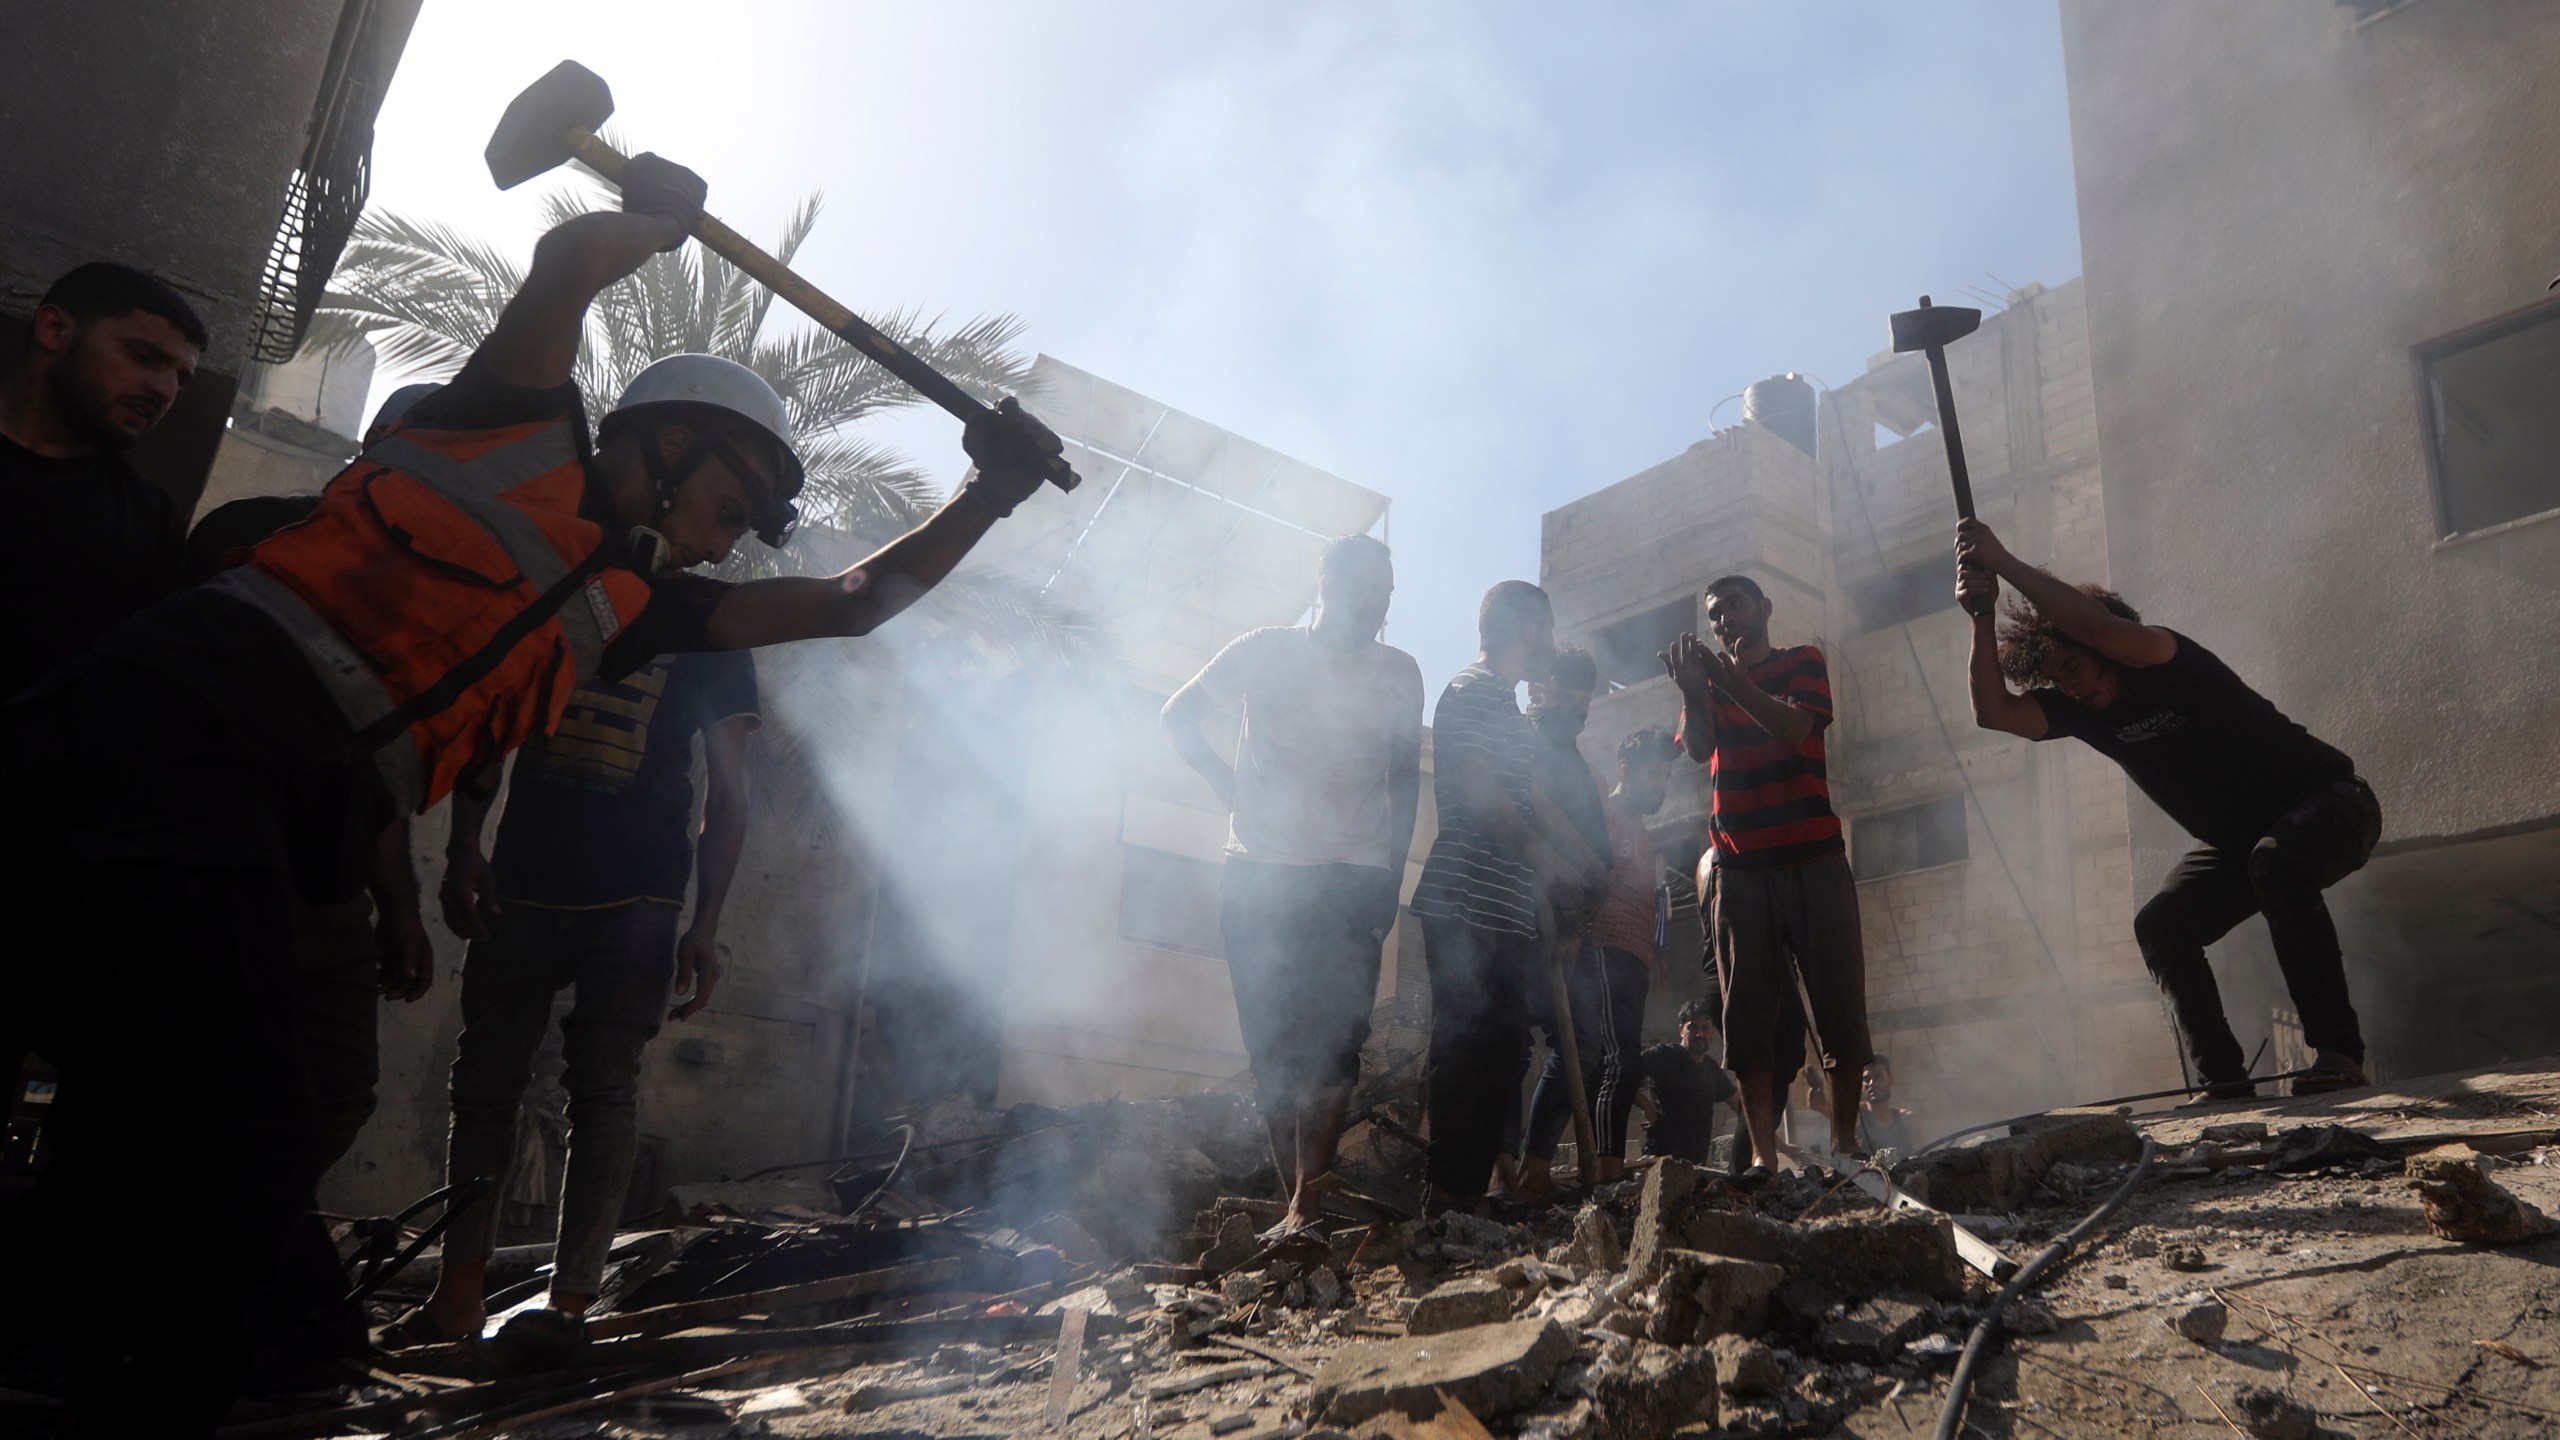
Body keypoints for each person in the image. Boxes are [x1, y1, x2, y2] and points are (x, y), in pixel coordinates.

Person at [0, 154, 1063, 1436]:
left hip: (270, 804)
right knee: (241, 1107)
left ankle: (66, 1353)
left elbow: (849, 607)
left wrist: (988, 494)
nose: (727, 537)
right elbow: (562, 270)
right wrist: (655, 224)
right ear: (663, 445)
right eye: (729, 500)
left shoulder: (631, 609)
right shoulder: (509, 422)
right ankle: (176, 1387)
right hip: (167, 731)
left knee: (165, 1108)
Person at [392, 636, 760, 1351]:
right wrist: (466, 848)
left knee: (600, 1091)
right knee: (485, 1085)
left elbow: (729, 791)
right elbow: (493, 729)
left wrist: (706, 922)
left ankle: (568, 1307)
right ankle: (458, 1297)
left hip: (638, 898)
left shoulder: (710, 630)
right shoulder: (567, 593)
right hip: (523, 882)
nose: (716, 541)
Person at [1955, 519, 2380, 1098]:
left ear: (2103, 650)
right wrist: (1981, 616)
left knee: (2276, 863)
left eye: (2074, 668)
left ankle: (2338, 1053)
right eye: (2056, 678)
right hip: (2241, 846)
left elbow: (2094, 626)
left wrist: (2002, 561)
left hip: (2333, 803)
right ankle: (2223, 1081)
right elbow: (1995, 713)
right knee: (2162, 924)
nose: (2070, 687)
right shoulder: (2085, 712)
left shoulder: (2162, 655)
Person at [1160, 534, 1424, 1238]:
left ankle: (1309, 1200)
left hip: (1353, 877)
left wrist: (1389, 881)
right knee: (1272, 1049)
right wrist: (1225, 785)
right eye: (1369, 586)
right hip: (1261, 876)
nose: (1380, 603)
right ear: (1328, 582)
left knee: (1336, 1043)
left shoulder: (1400, 672)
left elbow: (1405, 785)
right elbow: (1175, 715)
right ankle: (1292, 1207)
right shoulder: (1263, 650)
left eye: (1389, 593)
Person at [1663, 574, 1870, 1184]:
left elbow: (1795, 728)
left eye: (1735, 605)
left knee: (1838, 998)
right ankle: (1761, 1154)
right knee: (1747, 1011)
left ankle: (1846, 1141)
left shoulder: (1802, 661)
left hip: (1813, 856)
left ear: (1764, 610)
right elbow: (1699, 750)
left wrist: (1732, 684)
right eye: (1715, 613)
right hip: (1741, 867)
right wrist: (1695, 693)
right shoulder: (1710, 684)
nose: (1725, 618)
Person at [1409, 581, 1595, 1212]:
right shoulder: (1472, 691)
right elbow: (1479, 791)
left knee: (1500, 1052)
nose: (1553, 641)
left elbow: (1528, 797)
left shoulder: (1509, 711)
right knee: (1465, 1051)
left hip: (1506, 909)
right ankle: (1448, 1200)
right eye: (1547, 628)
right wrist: (1545, 856)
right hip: (1465, 900)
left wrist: (1577, 857)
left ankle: (1469, 1199)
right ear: (1526, 628)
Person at [0, 261, 202, 694]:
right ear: (54, 330)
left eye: (181, 381)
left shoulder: (149, 522)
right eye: (144, 356)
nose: (164, 391)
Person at [1521, 724, 1679, 1189]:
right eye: (1655, 776)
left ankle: (1566, 1168)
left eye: (1668, 778)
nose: (1662, 787)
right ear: (1626, 772)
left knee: (1604, 1062)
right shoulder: (1603, 816)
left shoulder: (1644, 833)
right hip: (1601, 951)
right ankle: (1601, 1176)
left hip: (1633, 960)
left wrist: (1656, 957)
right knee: (1618, 1062)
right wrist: (1576, 939)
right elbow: (1580, 882)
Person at [1509, 647, 1611, 1200]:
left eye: (1586, 689)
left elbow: (1598, 853)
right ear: (1539, 687)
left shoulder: (1572, 762)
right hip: (1519, 916)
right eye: (1569, 685)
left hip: (1569, 924)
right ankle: (1505, 1171)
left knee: (1586, 1045)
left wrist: (1579, 921)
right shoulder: (1522, 748)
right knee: (1508, 1044)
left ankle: (1535, 1166)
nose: (1580, 700)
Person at [1635, 999, 1738, 1166]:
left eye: (1705, 1027)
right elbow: (1623, 1073)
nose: (1700, 1034)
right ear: (1681, 1029)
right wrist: (1648, 1109)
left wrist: (1780, 1145)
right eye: (1693, 1027)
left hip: (1696, 1161)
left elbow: (1742, 1108)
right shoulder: (1664, 1055)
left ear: (1713, 1031)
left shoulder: (1711, 1069)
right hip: (1663, 1159)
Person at [1857, 1055, 1916, 1155]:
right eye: (1866, 1078)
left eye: (1878, 1076)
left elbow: (1921, 1159)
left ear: (1890, 1079)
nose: (1872, 1083)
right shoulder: (1854, 1119)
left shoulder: (1908, 1121)